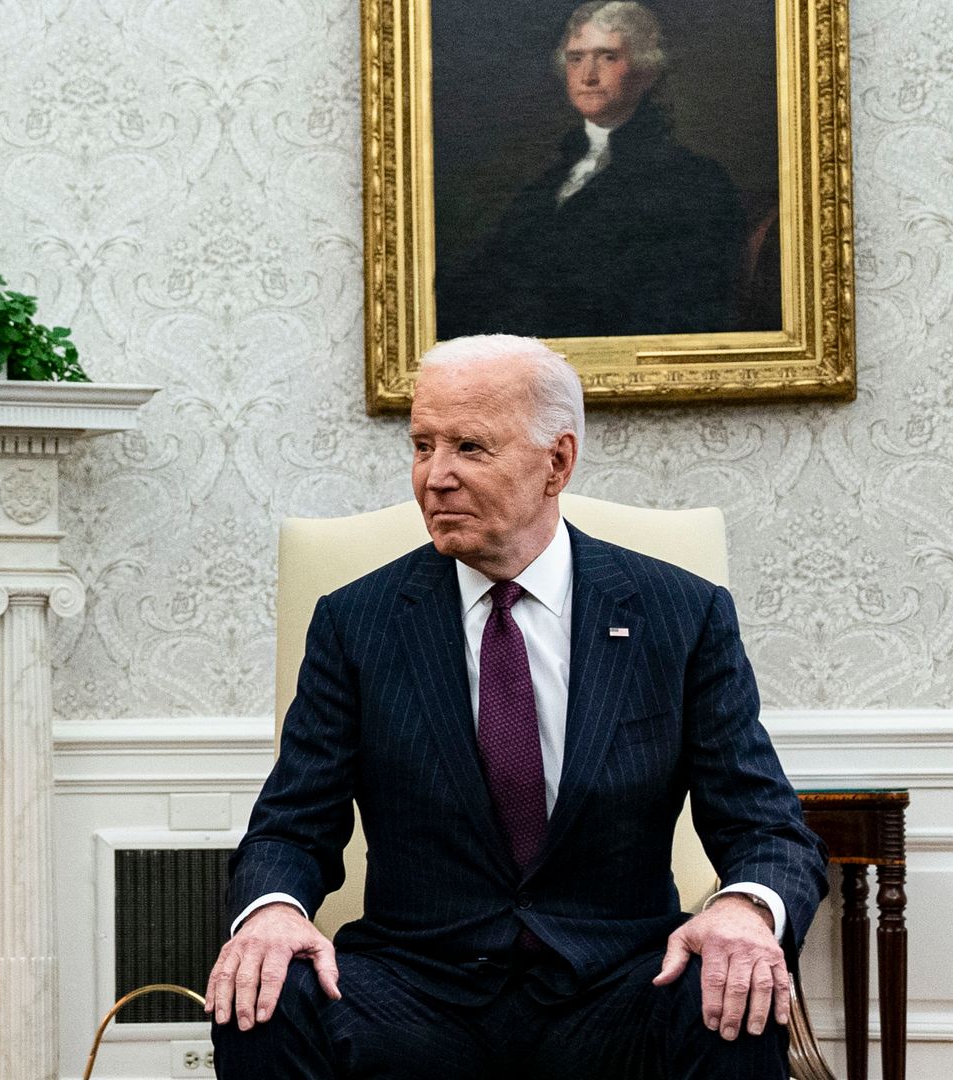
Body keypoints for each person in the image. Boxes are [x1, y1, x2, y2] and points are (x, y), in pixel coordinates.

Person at [204, 334, 827, 1079]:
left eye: (470, 447)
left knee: (728, 988)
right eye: (423, 445)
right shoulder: (358, 622)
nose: (436, 477)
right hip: (415, 989)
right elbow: (291, 826)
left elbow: (767, 828)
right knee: (267, 998)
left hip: (617, 986)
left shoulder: (678, 614)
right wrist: (272, 911)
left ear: (556, 462)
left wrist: (745, 911)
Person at [437, 1, 748, 339]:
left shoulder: (693, 181)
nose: (588, 75)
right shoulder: (551, 178)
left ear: (645, 71)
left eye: (608, 57)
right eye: (576, 58)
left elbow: (685, 312)